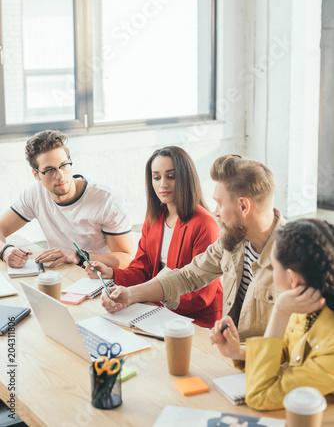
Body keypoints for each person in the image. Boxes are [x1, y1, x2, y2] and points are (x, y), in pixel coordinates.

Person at [102, 154, 285, 340]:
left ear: (243, 206)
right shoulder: (233, 241)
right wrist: (130, 294)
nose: (216, 212)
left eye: (220, 203)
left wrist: (239, 353)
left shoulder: (297, 259)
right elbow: (186, 276)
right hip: (230, 355)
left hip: (262, 364)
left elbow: (297, 345)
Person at [88, 146, 223, 328]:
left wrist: (139, 295)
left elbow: (200, 296)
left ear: (185, 178)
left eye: (171, 176)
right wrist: (112, 273)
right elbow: (142, 270)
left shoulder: (204, 224)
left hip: (196, 321)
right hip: (156, 310)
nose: (163, 185)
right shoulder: (155, 218)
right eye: (156, 177)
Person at [210, 219, 334, 410]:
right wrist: (240, 352)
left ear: (293, 279)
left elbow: (260, 396)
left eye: (273, 268)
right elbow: (286, 347)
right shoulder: (311, 302)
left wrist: (280, 312)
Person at [0, 130, 134, 268]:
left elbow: (127, 259)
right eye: (50, 170)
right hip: (62, 274)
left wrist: (78, 257)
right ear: (36, 174)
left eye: (64, 165)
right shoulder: (35, 194)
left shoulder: (107, 200)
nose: (60, 176)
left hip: (99, 279)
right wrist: (5, 250)